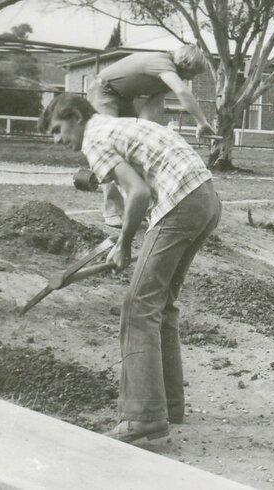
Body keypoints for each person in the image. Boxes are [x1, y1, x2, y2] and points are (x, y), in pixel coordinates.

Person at [40, 93, 221, 445]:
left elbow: (137, 192)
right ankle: (168, 404)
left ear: (77, 117)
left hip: (181, 202)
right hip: (207, 199)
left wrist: (123, 243)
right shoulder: (118, 125)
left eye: (59, 129)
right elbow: (140, 180)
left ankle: (144, 418)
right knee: (162, 304)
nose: (59, 139)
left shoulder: (94, 137)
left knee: (138, 307)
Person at [88, 44, 215, 227]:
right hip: (103, 92)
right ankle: (113, 212)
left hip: (124, 98)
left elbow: (149, 113)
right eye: (193, 72)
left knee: (135, 151)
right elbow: (182, 92)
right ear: (185, 63)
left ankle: (139, 209)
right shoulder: (162, 63)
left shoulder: (165, 79)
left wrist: (142, 134)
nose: (192, 78)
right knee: (114, 151)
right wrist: (201, 122)